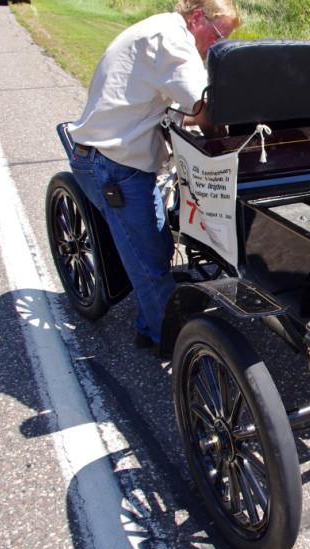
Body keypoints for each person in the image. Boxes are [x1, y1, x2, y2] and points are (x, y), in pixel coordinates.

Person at [66, 1, 240, 349]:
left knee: (157, 247)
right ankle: (173, 343)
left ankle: (148, 324)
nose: (216, 47)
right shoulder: (170, 40)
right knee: (150, 263)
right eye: (219, 36)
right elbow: (204, 107)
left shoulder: (162, 31)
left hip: (123, 157)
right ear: (196, 18)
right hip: (113, 165)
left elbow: (179, 109)